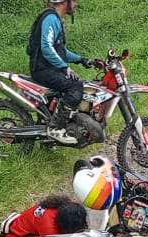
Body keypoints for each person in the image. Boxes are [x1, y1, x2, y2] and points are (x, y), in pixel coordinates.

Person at [28, 0, 100, 146]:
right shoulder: (50, 18)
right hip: (42, 69)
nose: (76, 4)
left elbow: (60, 51)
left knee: (69, 87)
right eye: (74, 1)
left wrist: (81, 60)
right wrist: (64, 67)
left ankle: (48, 140)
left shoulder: (56, 19)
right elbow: (46, 48)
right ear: (63, 1)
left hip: (47, 68)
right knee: (75, 86)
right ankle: (55, 128)